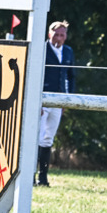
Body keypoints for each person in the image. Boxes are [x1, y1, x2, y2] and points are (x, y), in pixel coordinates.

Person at [38, 20, 75, 186]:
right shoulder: (42, 49)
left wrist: (68, 100)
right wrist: (36, 102)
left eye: (62, 34)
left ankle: (43, 178)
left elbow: (70, 76)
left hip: (58, 101)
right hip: (42, 99)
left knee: (48, 139)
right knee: (35, 137)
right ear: (49, 34)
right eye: (56, 34)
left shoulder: (68, 51)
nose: (59, 37)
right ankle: (29, 175)